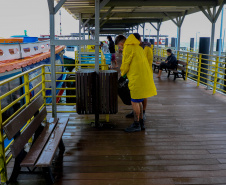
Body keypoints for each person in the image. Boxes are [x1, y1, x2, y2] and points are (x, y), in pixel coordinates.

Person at [115, 33, 157, 132]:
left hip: (136, 77)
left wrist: (122, 74)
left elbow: (125, 64)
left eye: (119, 46)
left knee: (134, 101)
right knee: (139, 100)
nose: (120, 47)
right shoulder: (137, 47)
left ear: (121, 43)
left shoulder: (128, 48)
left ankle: (136, 124)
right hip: (143, 76)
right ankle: (141, 122)